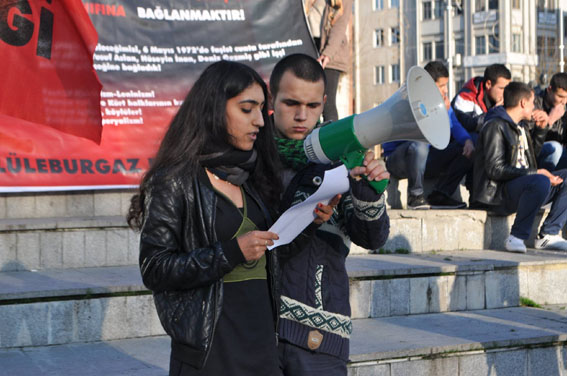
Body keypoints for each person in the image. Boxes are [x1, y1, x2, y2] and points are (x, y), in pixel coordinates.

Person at [126, 61, 332, 376]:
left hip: (262, 347)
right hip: (210, 351)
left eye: (262, 109)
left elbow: (269, 255)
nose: (260, 121)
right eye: (247, 109)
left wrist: (309, 224)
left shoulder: (254, 175)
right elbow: (155, 268)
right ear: (214, 109)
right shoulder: (175, 180)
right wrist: (231, 252)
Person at [270, 53, 390, 375]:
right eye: (291, 103)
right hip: (256, 331)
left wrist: (368, 191)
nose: (301, 116)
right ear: (272, 99)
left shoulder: (340, 157)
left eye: (312, 106)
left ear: (324, 102)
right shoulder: (252, 155)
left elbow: (373, 238)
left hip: (320, 336)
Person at [473, 81, 567, 252]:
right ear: (523, 103)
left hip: (520, 188)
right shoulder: (495, 126)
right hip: (497, 194)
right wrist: (535, 173)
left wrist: (540, 131)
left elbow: (527, 160)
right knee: (539, 181)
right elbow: (495, 169)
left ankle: (548, 234)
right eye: (532, 103)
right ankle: (516, 237)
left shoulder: (521, 126)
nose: (534, 107)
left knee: (563, 177)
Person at [382, 61, 475, 209]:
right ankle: (415, 196)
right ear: (429, 85)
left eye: (446, 85)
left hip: (426, 159)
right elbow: (419, 134)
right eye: (441, 86)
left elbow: (455, 126)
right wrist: (438, 113)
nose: (445, 90)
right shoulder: (407, 101)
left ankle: (441, 194)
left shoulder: (441, 103)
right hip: (399, 159)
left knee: (466, 148)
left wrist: (468, 141)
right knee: (420, 146)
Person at [304, 0, 352, 121]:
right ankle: (309, 138)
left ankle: (333, 139)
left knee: (327, 102)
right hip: (308, 48)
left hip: (330, 53)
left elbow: (340, 26)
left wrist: (328, 53)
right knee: (307, 100)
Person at [452, 63, 512, 134]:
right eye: (501, 88)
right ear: (488, 84)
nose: (505, 92)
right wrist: (494, 112)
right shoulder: (465, 97)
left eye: (507, 88)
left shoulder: (502, 99)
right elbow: (466, 125)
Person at [533, 72, 567, 171]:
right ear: (549, 90)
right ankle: (548, 183)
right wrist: (550, 120)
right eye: (560, 97)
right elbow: (532, 143)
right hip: (538, 156)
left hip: (559, 154)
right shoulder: (534, 104)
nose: (564, 101)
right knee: (555, 148)